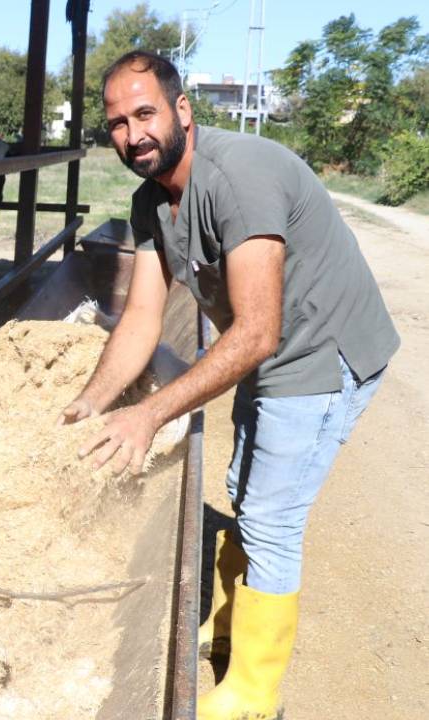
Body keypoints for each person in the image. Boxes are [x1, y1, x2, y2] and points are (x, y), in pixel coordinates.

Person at [61, 50, 399, 720]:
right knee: (246, 486)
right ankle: (232, 617)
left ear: (182, 110)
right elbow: (143, 315)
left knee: (272, 517)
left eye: (146, 113)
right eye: (119, 122)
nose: (134, 134)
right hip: (269, 347)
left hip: (321, 349)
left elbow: (256, 334)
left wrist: (149, 415)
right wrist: (91, 403)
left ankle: (253, 694)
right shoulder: (150, 201)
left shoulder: (238, 177)